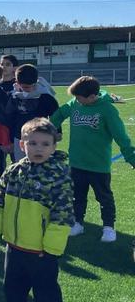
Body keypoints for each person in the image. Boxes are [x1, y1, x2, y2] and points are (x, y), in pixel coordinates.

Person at [0, 118, 73, 302]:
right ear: (22, 145)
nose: (38, 148)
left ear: (54, 147)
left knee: (46, 295)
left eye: (45, 144)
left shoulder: (58, 176)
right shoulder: (13, 170)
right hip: (14, 246)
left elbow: (62, 214)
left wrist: (51, 247)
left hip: (42, 251)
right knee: (12, 288)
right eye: (32, 143)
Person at [50, 76, 135, 243]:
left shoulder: (107, 110)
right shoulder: (75, 104)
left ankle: (109, 227)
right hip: (76, 162)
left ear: (92, 97)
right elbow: (59, 114)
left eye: (79, 97)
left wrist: (132, 158)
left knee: (104, 197)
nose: (76, 100)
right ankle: (77, 223)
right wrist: (48, 127)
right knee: (77, 195)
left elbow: (121, 137)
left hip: (99, 165)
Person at [6, 64, 59, 162]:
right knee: (21, 166)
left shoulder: (46, 97)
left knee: (40, 165)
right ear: (17, 83)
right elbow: (9, 118)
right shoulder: (13, 97)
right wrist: (9, 139)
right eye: (25, 87)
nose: (28, 89)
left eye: (31, 86)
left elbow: (55, 116)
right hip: (20, 137)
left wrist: (58, 132)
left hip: (40, 137)